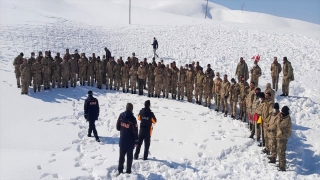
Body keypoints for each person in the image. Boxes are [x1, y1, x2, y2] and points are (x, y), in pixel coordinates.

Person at [116, 103, 138, 174]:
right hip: (130, 142)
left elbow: (117, 127)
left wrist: (123, 128)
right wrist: (136, 141)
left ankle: (120, 170)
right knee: (129, 158)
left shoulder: (121, 116)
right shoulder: (133, 119)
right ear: (132, 109)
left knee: (121, 157)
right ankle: (128, 171)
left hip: (122, 140)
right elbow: (135, 131)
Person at [276, 106, 292, 171]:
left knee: (281, 152)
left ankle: (282, 167)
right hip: (280, 136)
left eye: (282, 112)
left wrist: (279, 117)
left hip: (283, 137)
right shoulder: (284, 117)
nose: (281, 113)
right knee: (279, 151)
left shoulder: (287, 119)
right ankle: (280, 163)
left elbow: (280, 125)